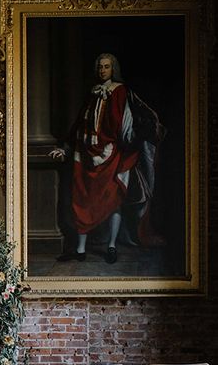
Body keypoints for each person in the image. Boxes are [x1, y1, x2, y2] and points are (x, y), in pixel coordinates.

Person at [51, 53, 165, 264]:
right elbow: (79, 123)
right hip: (85, 155)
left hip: (112, 156)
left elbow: (129, 125)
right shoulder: (93, 92)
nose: (102, 70)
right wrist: (65, 148)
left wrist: (132, 143)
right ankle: (80, 249)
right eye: (100, 67)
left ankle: (111, 246)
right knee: (82, 201)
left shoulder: (121, 92)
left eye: (106, 67)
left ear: (113, 70)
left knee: (113, 201)